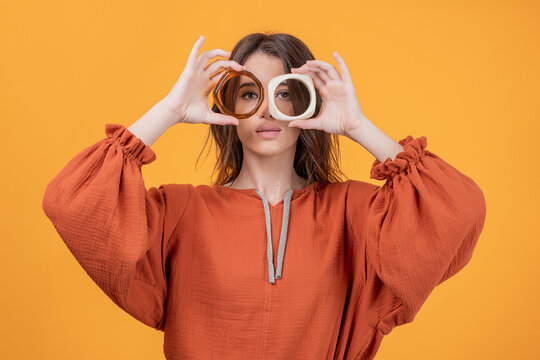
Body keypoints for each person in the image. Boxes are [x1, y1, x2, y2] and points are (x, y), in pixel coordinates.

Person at [42, 32, 487, 360]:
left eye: (287, 94)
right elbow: (70, 202)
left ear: (309, 105)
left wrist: (358, 125)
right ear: (228, 108)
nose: (269, 110)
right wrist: (170, 110)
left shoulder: (353, 212)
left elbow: (458, 208)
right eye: (250, 93)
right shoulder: (180, 212)